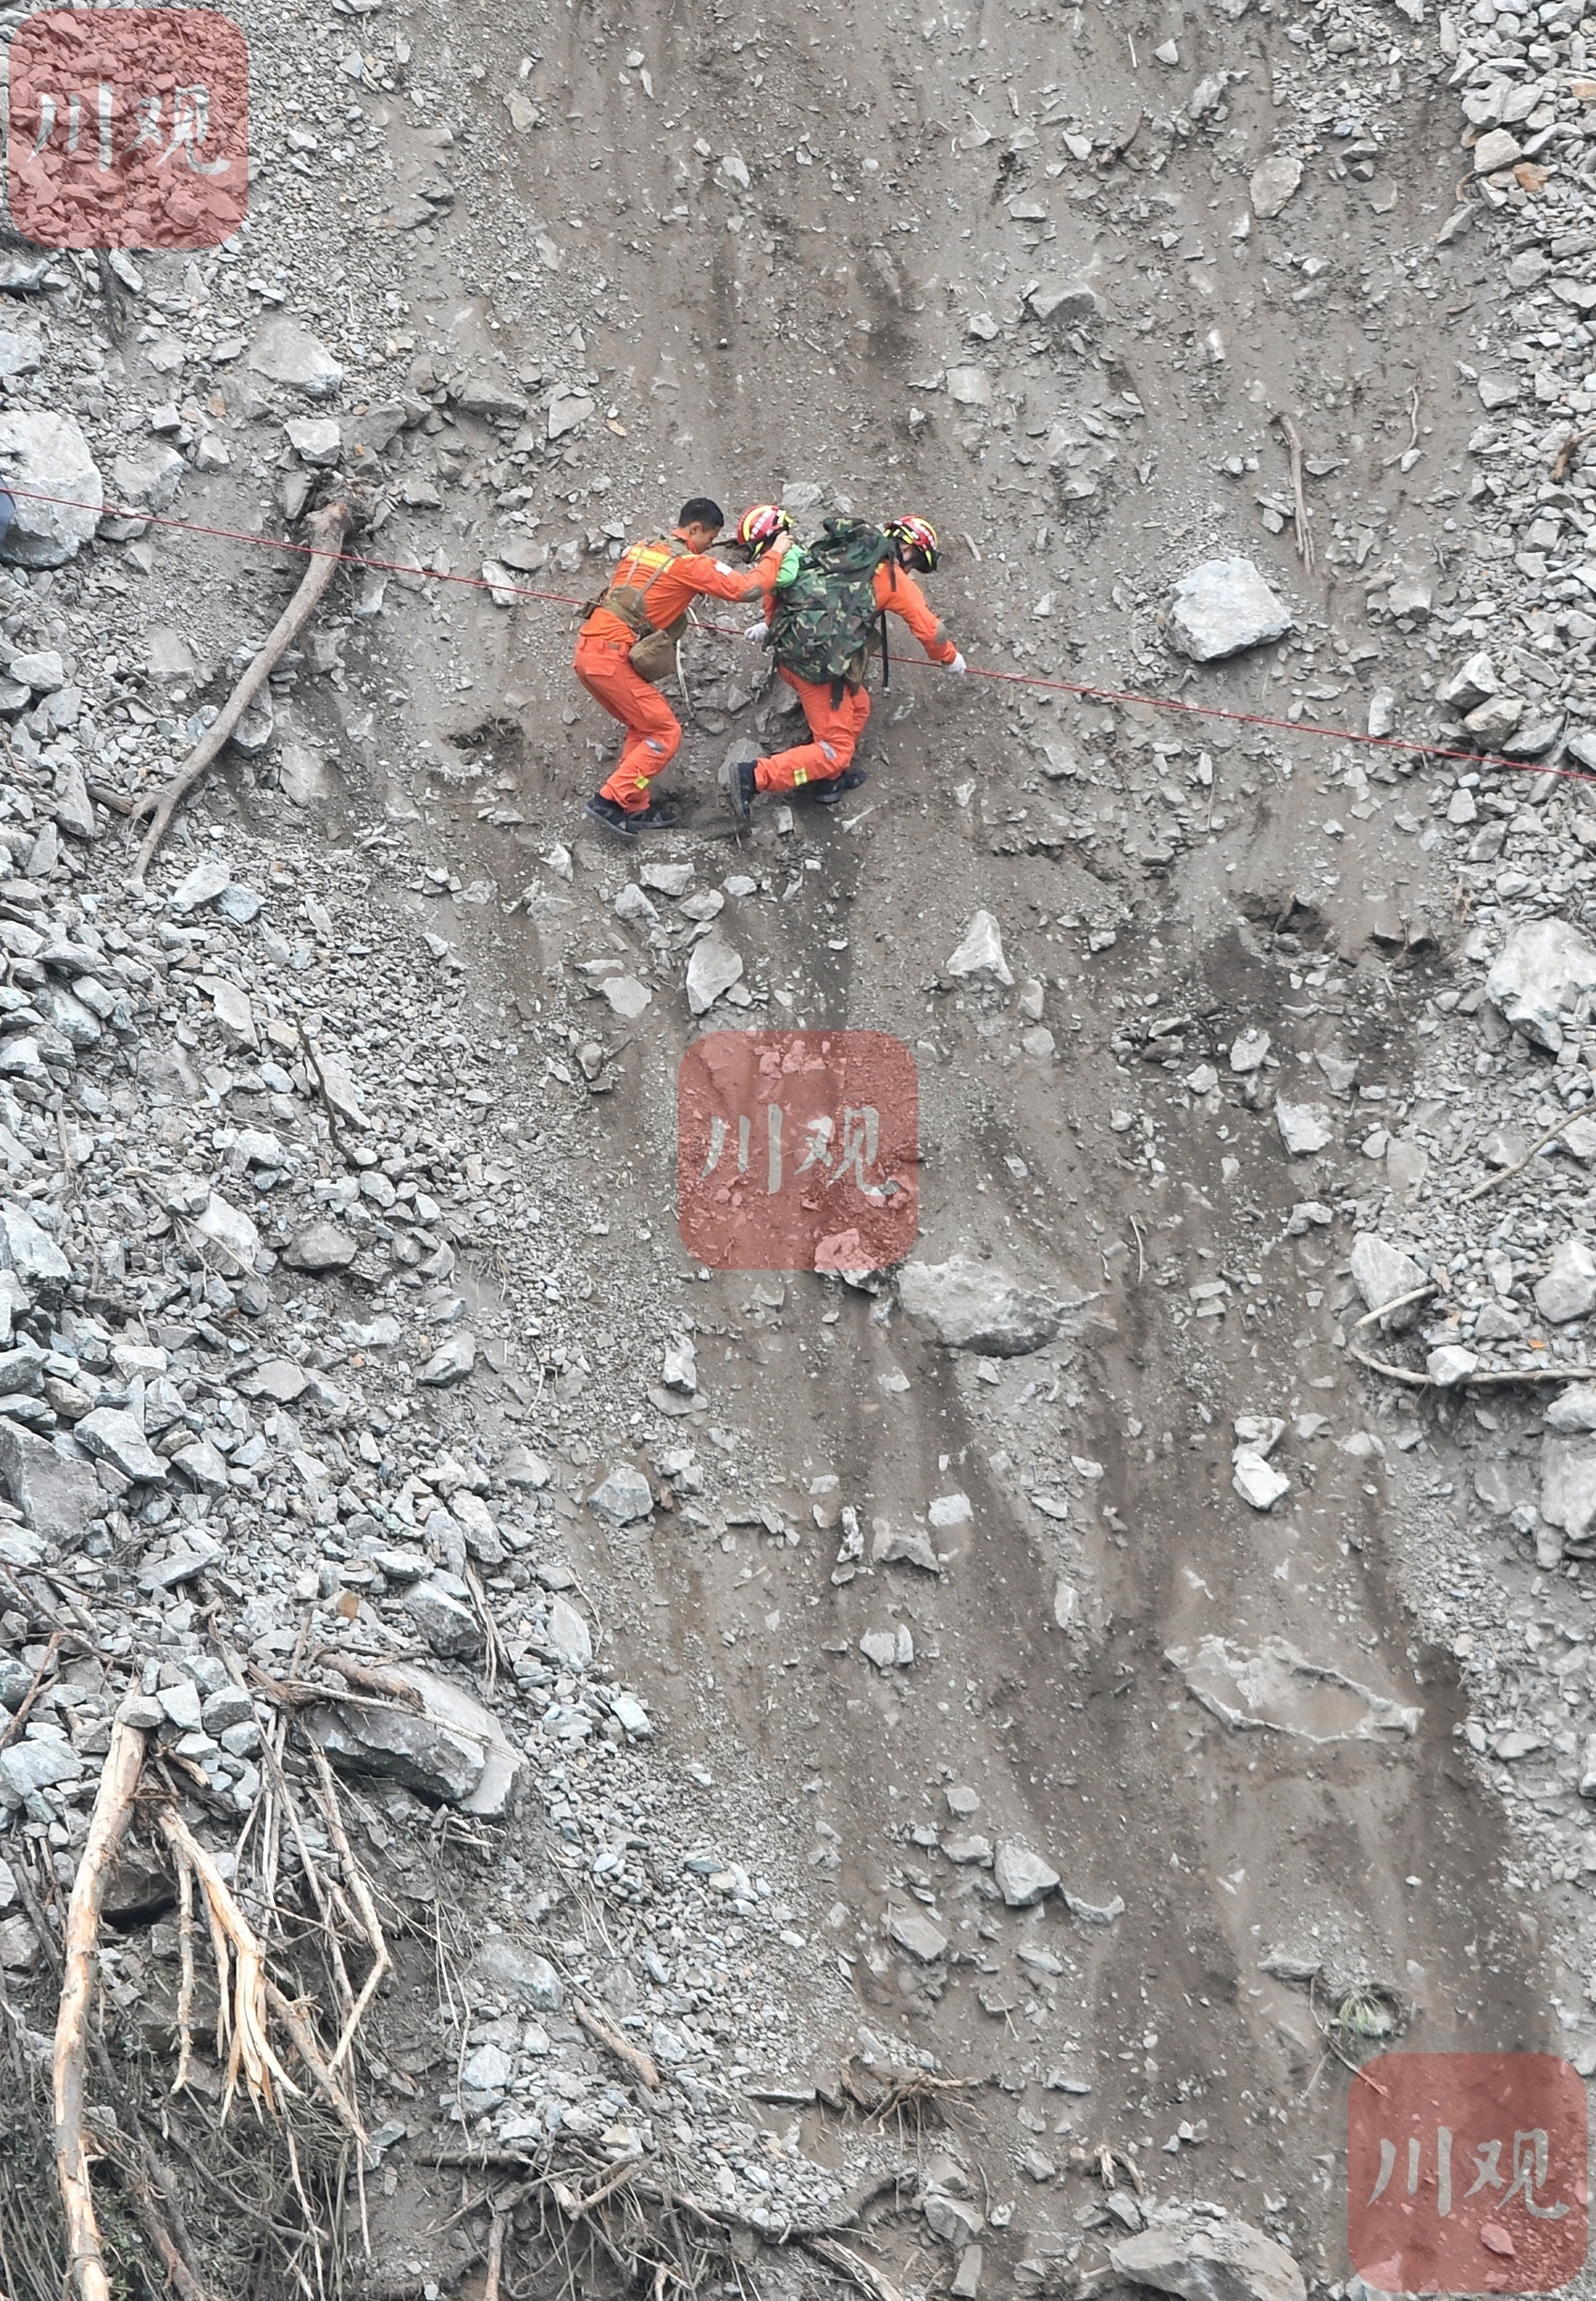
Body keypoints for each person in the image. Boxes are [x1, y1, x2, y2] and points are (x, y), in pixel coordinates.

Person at [727, 514, 966, 818]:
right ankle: (754, 777)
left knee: (859, 706)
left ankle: (830, 781)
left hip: (795, 654)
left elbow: (791, 581)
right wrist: (949, 658)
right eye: (917, 562)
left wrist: (770, 623)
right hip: (818, 670)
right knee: (835, 750)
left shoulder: (840, 552)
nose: (912, 569)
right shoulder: (892, 578)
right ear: (908, 550)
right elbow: (931, 631)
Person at [578, 498, 776, 836]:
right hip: (611, 657)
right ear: (695, 528)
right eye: (710, 538)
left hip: (590, 652)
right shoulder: (686, 564)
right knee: (665, 733)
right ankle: (609, 801)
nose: (710, 546)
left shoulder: (642, 548)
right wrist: (777, 553)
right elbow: (748, 589)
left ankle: (635, 806)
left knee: (643, 727)